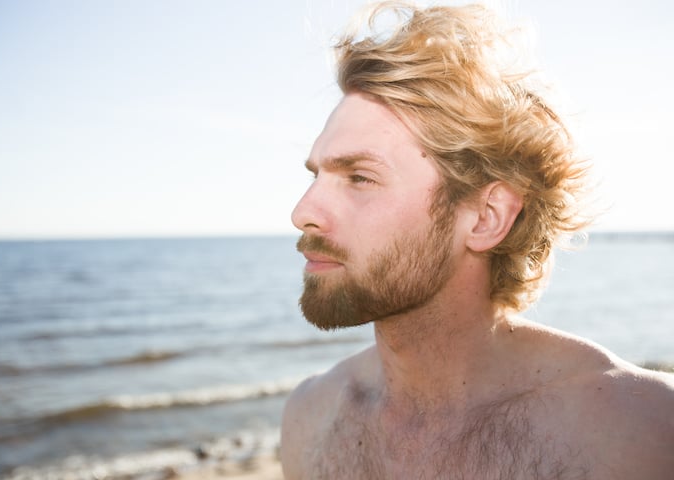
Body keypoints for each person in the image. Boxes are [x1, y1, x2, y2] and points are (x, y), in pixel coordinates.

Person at [280, 2, 674, 479]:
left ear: (487, 218)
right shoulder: (309, 418)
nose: (303, 213)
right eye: (315, 175)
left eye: (360, 177)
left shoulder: (639, 431)